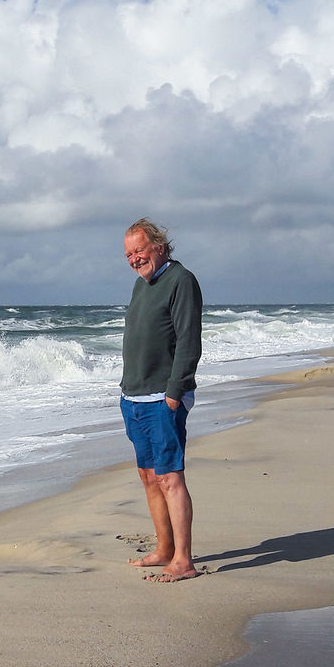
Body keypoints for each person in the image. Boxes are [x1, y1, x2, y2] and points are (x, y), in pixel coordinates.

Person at [119, 217, 203, 582]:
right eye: (128, 254)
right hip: (134, 397)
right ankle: (164, 549)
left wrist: (175, 392)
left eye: (140, 250)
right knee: (149, 476)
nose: (135, 258)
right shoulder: (142, 286)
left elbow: (188, 341)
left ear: (159, 246)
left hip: (163, 398)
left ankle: (183, 560)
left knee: (170, 477)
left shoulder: (180, 281)